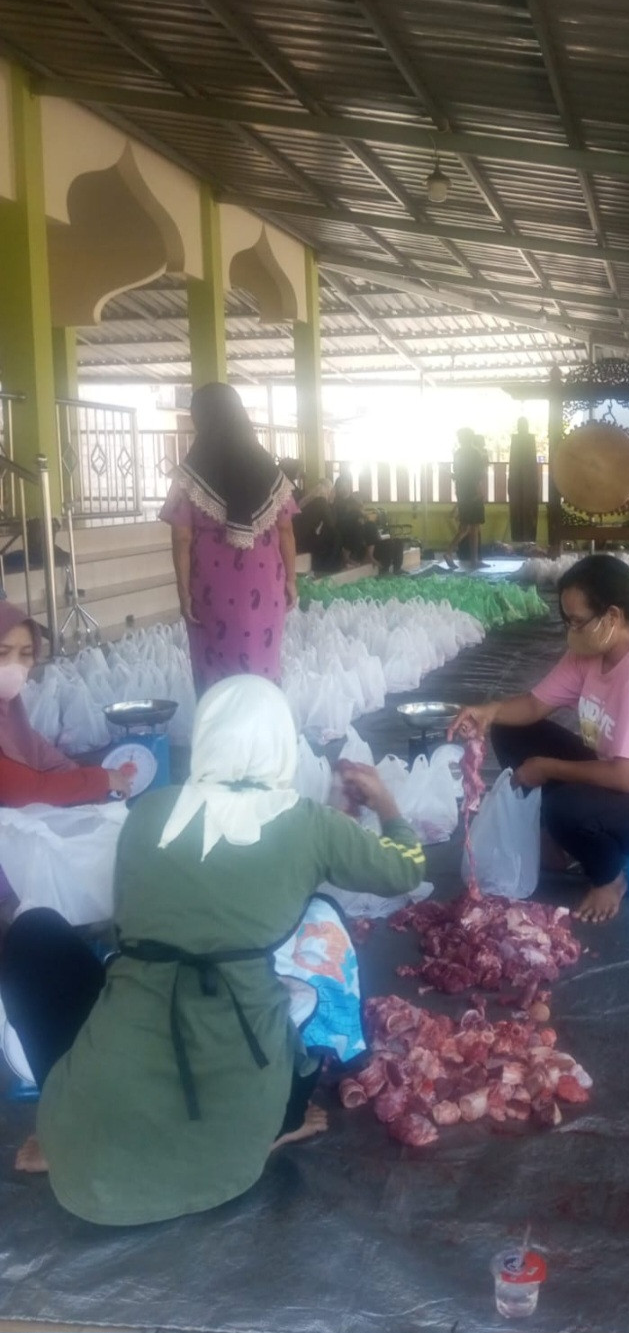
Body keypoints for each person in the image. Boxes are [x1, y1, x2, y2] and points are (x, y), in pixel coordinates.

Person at [0, 675, 425, 1222]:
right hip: (235, 1116)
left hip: (97, 1142)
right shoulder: (312, 825)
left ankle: (67, 1130)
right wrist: (386, 805)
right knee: (322, 942)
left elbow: (152, 913)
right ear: (281, 742)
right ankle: (279, 1126)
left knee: (35, 934)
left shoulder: (152, 814)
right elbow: (405, 867)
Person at [450, 554, 629, 924]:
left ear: (613, 617)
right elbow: (535, 705)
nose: (571, 630)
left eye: (578, 621)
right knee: (511, 729)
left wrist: (548, 767)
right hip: (619, 772)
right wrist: (488, 712)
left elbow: (627, 776)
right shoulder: (588, 652)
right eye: (566, 620)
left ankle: (609, 877)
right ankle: (559, 837)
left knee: (564, 807)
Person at [160, 384, 298, 697]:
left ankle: (219, 729)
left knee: (214, 665)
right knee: (262, 662)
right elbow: (286, 530)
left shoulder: (188, 477)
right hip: (265, 583)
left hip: (211, 588)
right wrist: (290, 580)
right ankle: (261, 727)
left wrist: (184, 594)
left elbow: (182, 538)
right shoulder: (268, 471)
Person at [0, 600, 131, 809]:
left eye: (25, 654)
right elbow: (26, 792)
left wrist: (83, 776)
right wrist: (98, 781)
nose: (14, 665)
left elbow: (45, 756)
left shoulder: (10, 712)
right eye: (2, 653)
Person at [281, 462, 341, 577]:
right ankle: (327, 570)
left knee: (329, 536)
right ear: (328, 490)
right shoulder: (321, 501)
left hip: (298, 536)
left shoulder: (312, 500)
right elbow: (331, 524)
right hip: (300, 540)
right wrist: (332, 503)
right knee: (336, 536)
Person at [445, 428, 487, 569]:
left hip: (462, 493)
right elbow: (477, 475)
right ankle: (473, 559)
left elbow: (456, 474)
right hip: (473, 492)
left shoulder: (458, 454)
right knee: (474, 527)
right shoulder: (474, 453)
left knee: (464, 527)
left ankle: (450, 552)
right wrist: (479, 491)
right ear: (470, 438)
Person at [508, 417, 539, 544]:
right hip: (517, 480)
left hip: (529, 482)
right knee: (517, 511)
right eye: (520, 425)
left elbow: (531, 462)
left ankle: (529, 540)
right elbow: (513, 462)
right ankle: (518, 539)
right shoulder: (515, 440)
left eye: (523, 425)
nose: (521, 427)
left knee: (529, 511)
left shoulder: (530, 440)